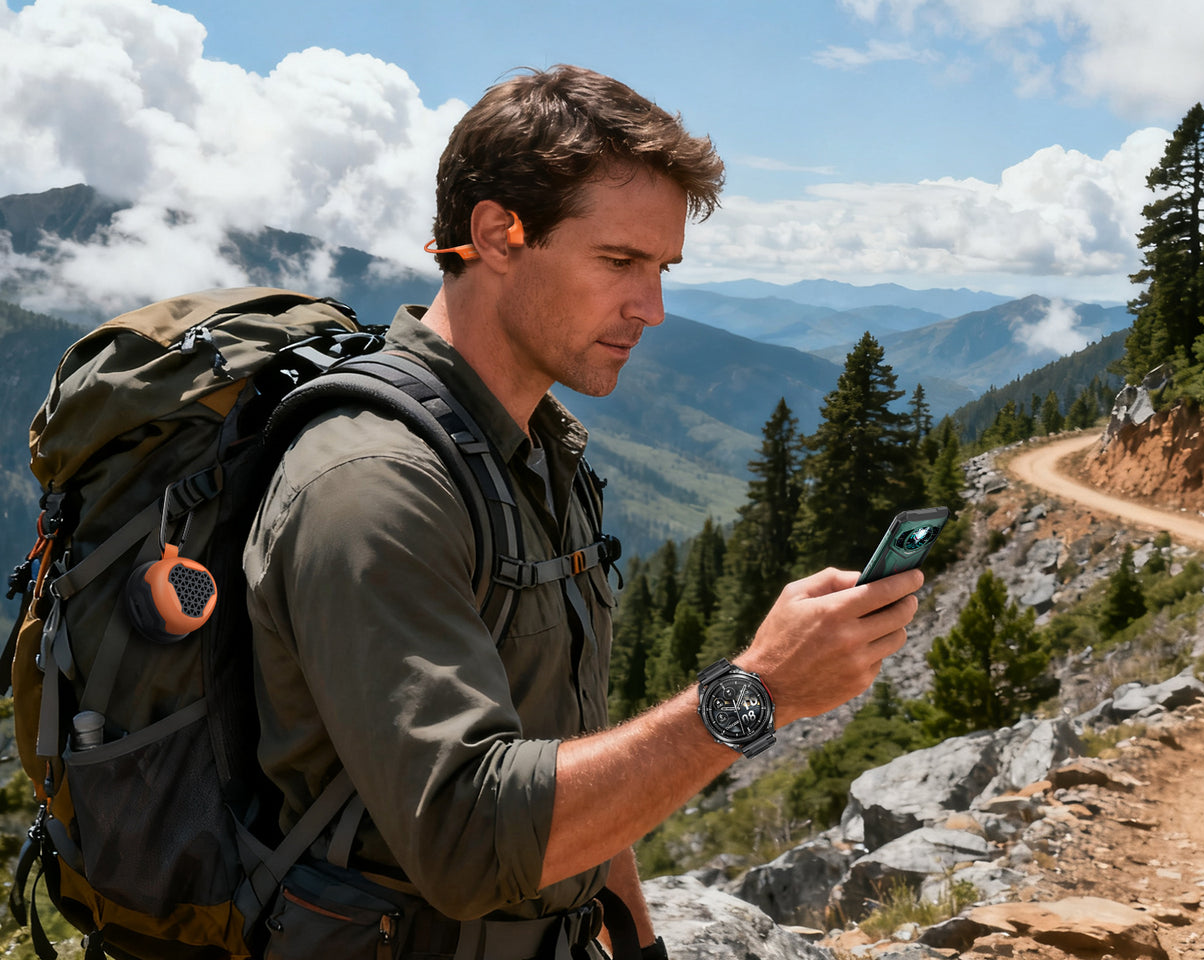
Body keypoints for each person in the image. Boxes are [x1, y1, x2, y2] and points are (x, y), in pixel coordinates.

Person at [243, 65, 924, 959]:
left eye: (662, 267)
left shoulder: (533, 454)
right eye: (619, 262)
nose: (654, 308)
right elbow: (468, 836)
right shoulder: (373, 483)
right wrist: (757, 693)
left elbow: (566, 753)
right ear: (496, 232)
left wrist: (636, 945)